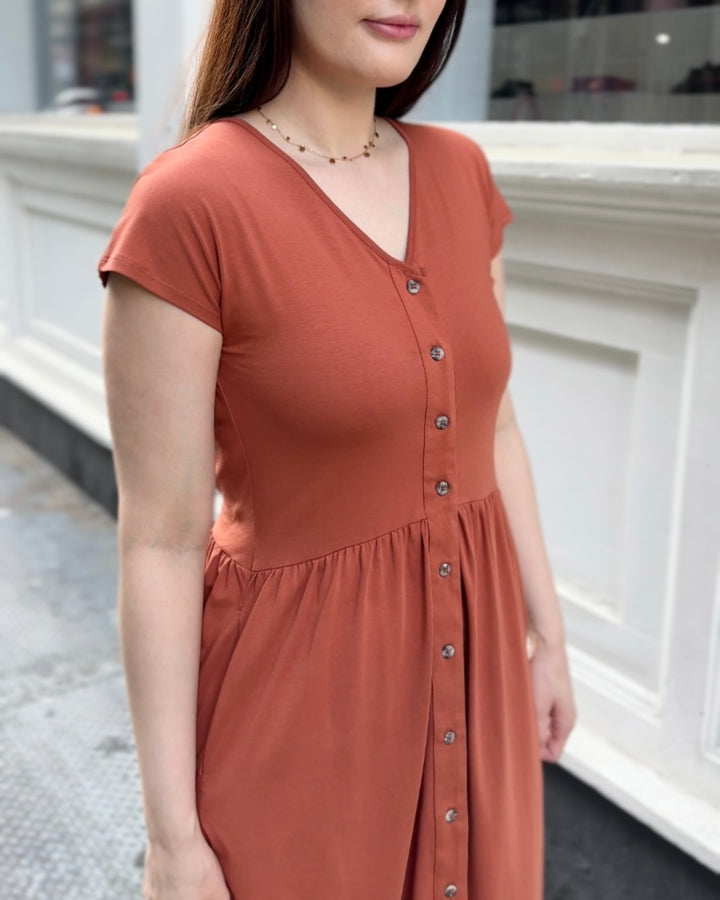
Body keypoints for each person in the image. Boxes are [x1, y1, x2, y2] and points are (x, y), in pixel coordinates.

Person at [98, 1, 576, 898]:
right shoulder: (191, 206)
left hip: (480, 690)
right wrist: (172, 841)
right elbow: (159, 540)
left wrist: (547, 639)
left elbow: (496, 427)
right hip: (300, 720)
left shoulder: (461, 171)